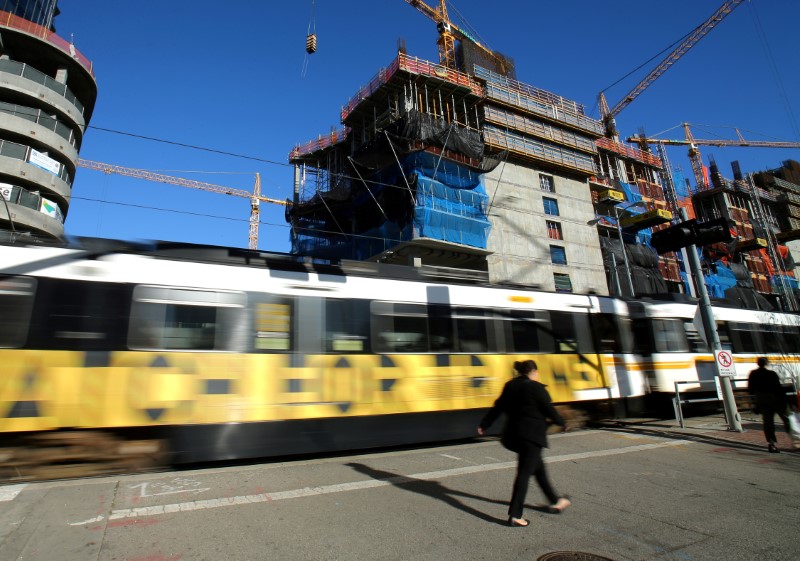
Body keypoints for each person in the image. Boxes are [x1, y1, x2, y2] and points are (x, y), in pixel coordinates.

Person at [477, 359, 571, 527]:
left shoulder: (510, 386)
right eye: (537, 373)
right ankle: (515, 515)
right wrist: (562, 422)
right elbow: (548, 409)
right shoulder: (536, 387)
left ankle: (556, 501)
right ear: (533, 372)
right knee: (524, 474)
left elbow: (498, 407)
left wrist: (485, 424)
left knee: (539, 469)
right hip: (532, 437)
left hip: (514, 436)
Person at [748, 357, 795, 453]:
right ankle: (796, 440)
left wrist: (755, 403)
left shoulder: (753, 374)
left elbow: (750, 389)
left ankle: (772, 444)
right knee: (787, 419)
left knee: (768, 422)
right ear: (766, 363)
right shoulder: (771, 374)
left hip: (762, 399)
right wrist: (787, 401)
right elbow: (778, 388)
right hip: (776, 398)